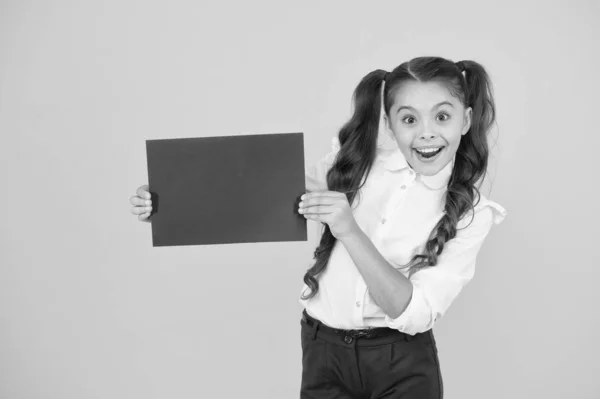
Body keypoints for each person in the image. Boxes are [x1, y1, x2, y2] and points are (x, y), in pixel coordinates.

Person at [129, 56, 507, 399]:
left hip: (401, 364)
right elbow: (258, 190)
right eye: (409, 119)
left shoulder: (473, 213)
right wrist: (168, 203)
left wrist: (349, 230)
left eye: (442, 116)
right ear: (390, 126)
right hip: (324, 353)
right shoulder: (357, 164)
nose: (426, 133)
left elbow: (414, 313)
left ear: (466, 120)